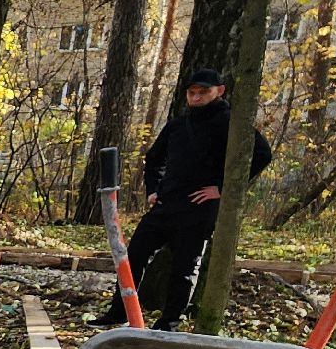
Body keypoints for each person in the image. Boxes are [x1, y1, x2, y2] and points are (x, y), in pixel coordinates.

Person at [95, 67, 273, 330]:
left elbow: (262, 155)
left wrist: (222, 188)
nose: (196, 97)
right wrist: (153, 190)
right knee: (132, 257)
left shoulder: (232, 124)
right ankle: (120, 311)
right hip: (165, 204)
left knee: (185, 268)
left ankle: (169, 323)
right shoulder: (178, 124)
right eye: (192, 93)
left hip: (199, 208)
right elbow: (154, 159)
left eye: (203, 92)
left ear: (219, 91)